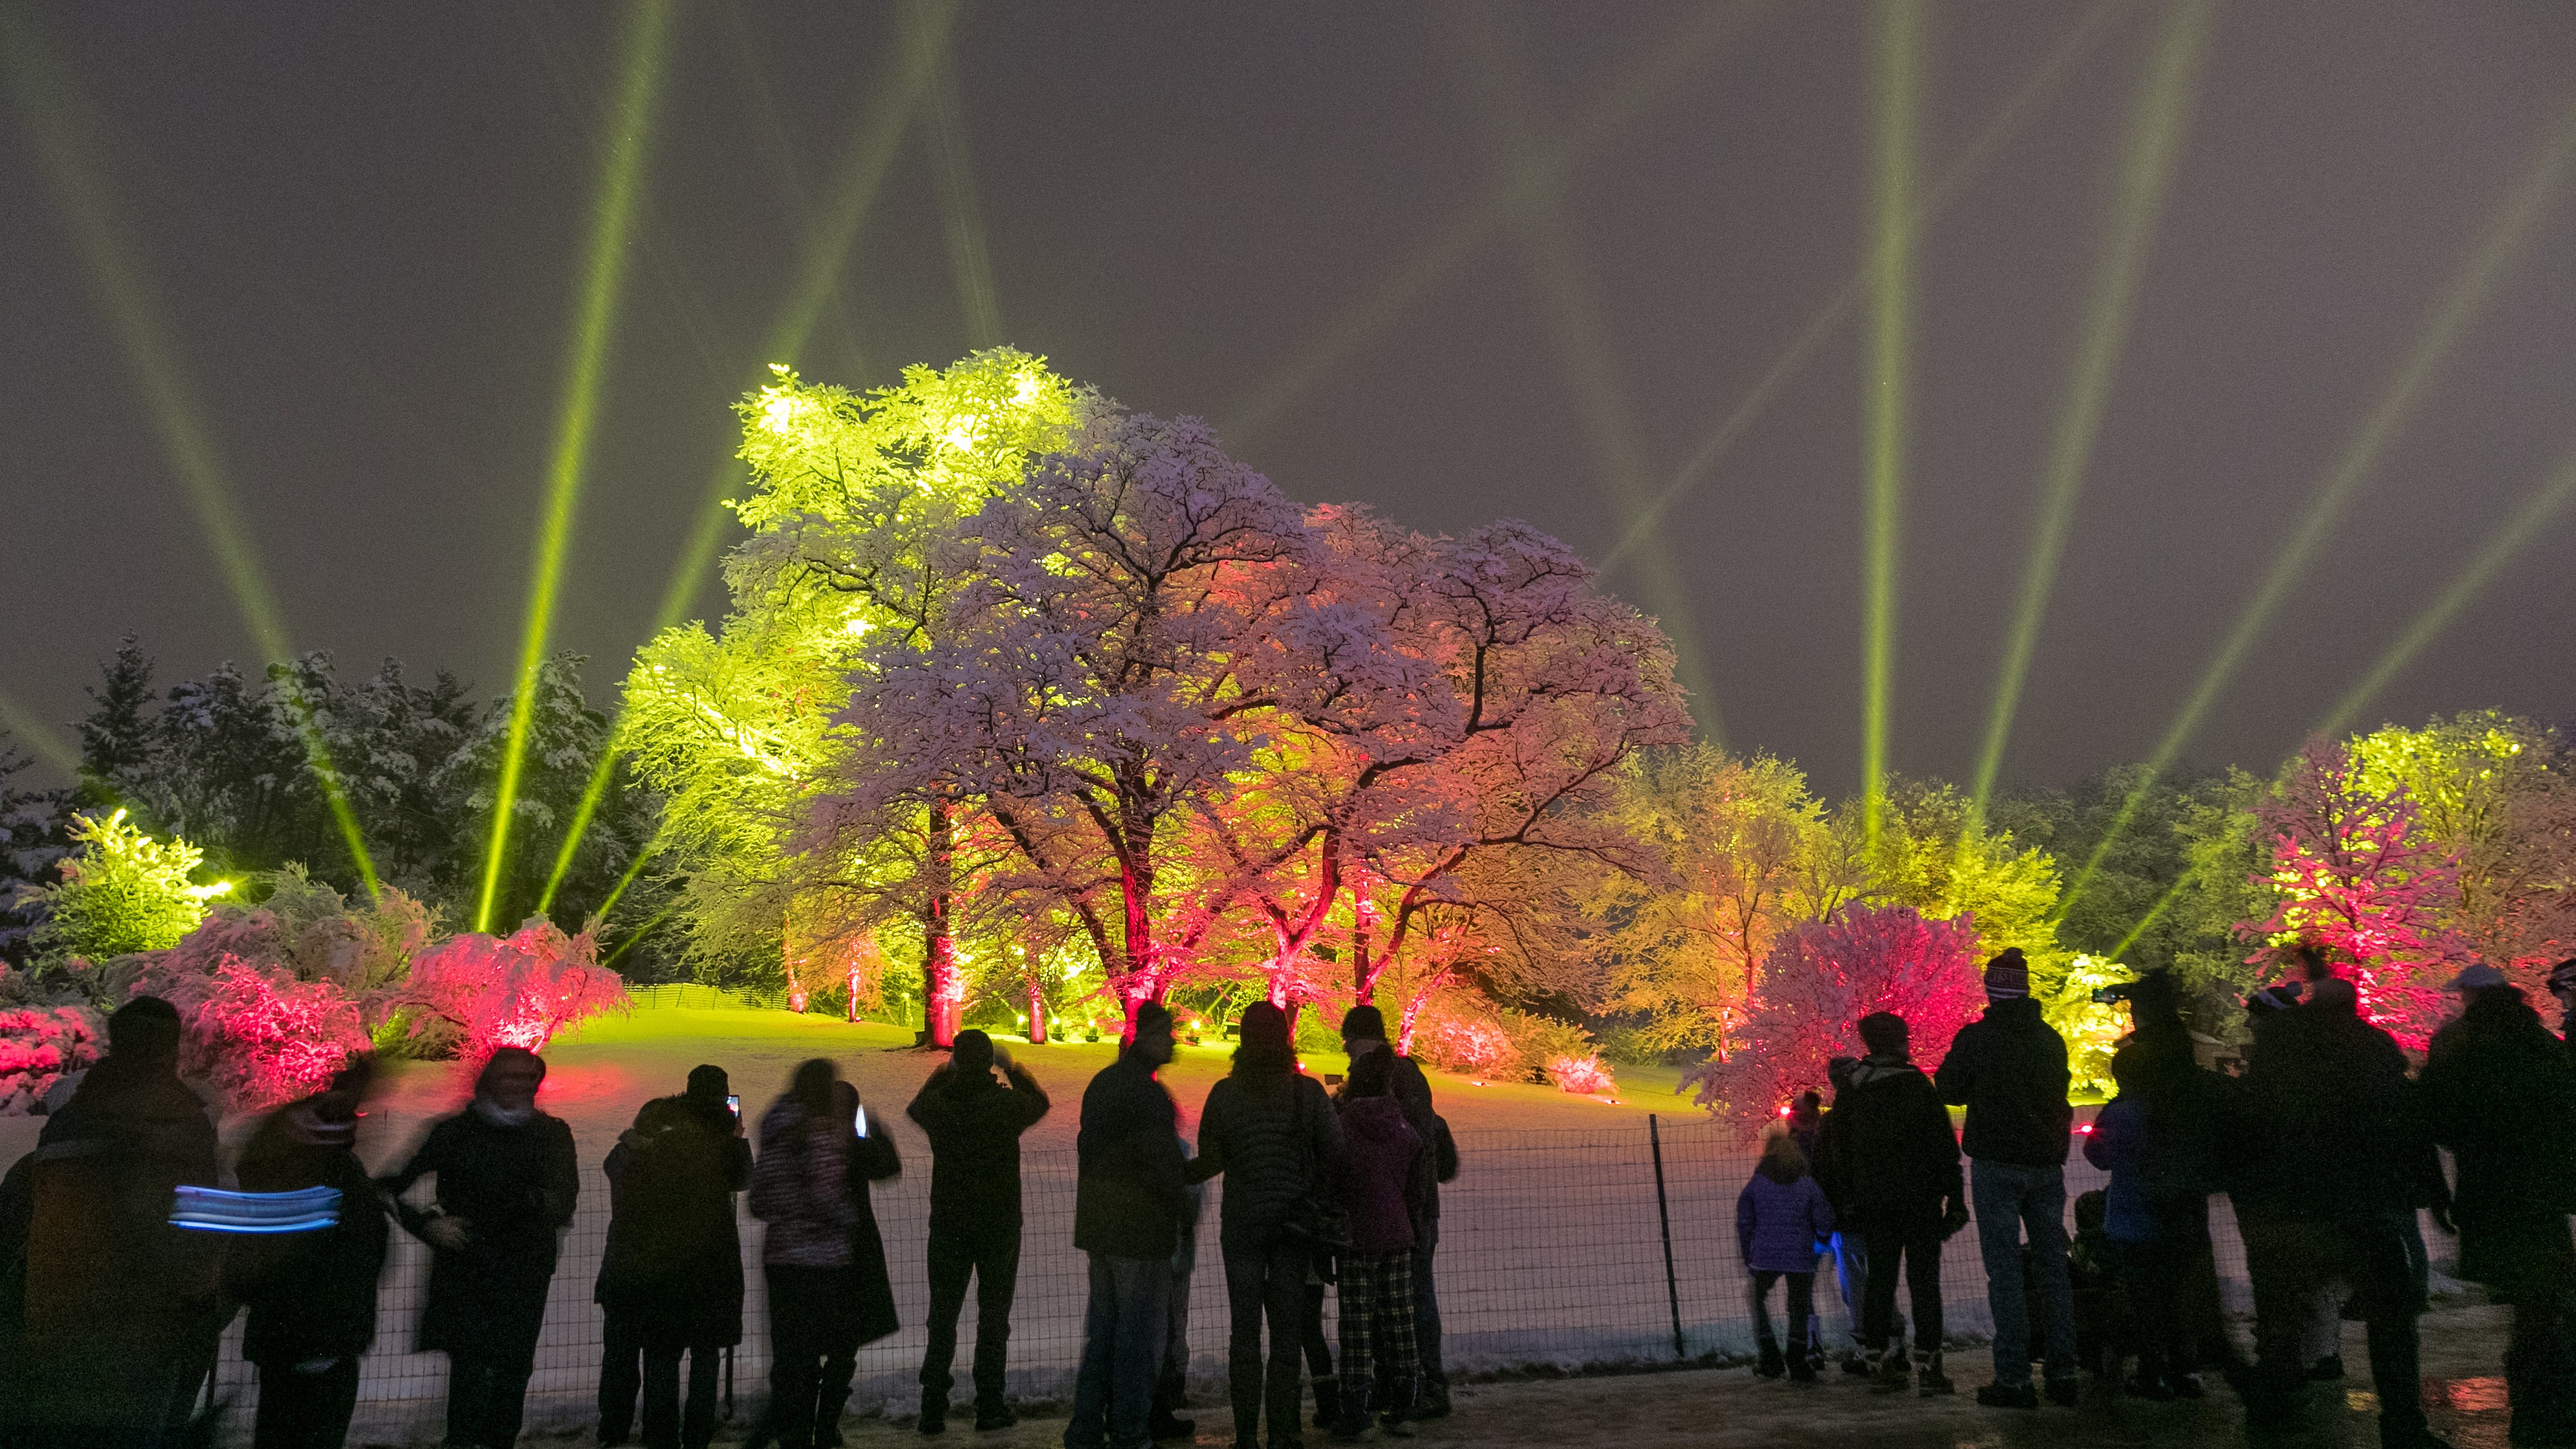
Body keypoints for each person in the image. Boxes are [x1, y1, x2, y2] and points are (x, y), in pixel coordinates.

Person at [2220, 971, 2447, 1448]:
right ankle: (2402, 1422)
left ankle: (2274, 1410)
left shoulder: (2280, 1055)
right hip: (2359, 1208)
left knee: (2281, 1319)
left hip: (2290, 1210)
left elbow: (2248, 1130)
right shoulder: (2371, 1047)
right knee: (2391, 1321)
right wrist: (2428, 1189)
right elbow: (2403, 1120)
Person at [6, 995, 222, 1446]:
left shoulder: (67, 1125)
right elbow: (195, 1251)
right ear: (171, 1051)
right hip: (142, 1345)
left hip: (51, 1342)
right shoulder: (179, 1125)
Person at [380, 1045, 580, 1449]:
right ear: (490, 1081)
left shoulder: (552, 1134)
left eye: (529, 1078)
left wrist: (535, 1204)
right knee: (470, 1367)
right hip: (467, 1268)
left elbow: (564, 1202)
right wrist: (429, 1226)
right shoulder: (454, 1132)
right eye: (512, 1077)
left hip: (525, 1270)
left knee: (512, 1369)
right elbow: (388, 1188)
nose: (523, 1086)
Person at [2422, 963, 2576, 1447]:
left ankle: (2533, 1379)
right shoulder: (2542, 1048)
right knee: (2544, 1289)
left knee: (2521, 1287)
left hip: (2487, 1188)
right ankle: (2547, 1382)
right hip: (2542, 1190)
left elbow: (2437, 1118)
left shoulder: (2460, 1049)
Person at [1188, 1001, 1344, 1449]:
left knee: (1244, 1332)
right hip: (1293, 1228)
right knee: (1287, 1332)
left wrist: (1167, 1172)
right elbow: (1335, 1154)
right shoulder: (1308, 1094)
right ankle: (1282, 1432)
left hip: (1241, 1226)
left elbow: (1212, 1160)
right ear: (1284, 1037)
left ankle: (1244, 1437)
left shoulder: (1223, 1094)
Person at [1935, 948, 2080, 1409]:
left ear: (1992, 990)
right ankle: (2063, 1372)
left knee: (2005, 1273)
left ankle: (2014, 1377)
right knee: (2053, 1269)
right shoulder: (2049, 1039)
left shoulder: (1979, 1038)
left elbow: (1948, 1087)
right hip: (2045, 1165)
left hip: (1997, 1163)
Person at [235, 1057, 390, 1449]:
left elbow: (248, 1265)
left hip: (286, 1340)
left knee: (277, 1429)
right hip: (326, 1339)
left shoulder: (276, 1177)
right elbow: (367, 1257)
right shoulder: (344, 1188)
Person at [597, 1064, 751, 1449]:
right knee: (705, 1354)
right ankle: (697, 1434)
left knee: (661, 1354)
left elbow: (618, 1169)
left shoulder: (658, 1129)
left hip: (658, 1259)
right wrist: (736, 1138)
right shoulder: (720, 1132)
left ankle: (656, 1434)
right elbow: (742, 1179)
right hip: (710, 1259)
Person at [749, 1061, 901, 1449]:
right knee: (839, 1348)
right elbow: (878, 1171)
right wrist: (877, 1138)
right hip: (837, 1259)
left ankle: (786, 1431)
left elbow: (761, 1200)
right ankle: (823, 1428)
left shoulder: (777, 1128)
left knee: (793, 1358)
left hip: (783, 1260)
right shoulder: (836, 1139)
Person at [1813, 1011, 1965, 1395]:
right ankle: (1930, 1366)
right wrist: (1956, 1197)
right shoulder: (1918, 1087)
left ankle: (1877, 1359)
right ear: (1901, 1042)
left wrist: (1846, 1198)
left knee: (1879, 1282)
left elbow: (1838, 1151)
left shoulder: (1853, 1092)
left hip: (1874, 1203)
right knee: (1924, 1284)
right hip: (1921, 1201)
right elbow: (1943, 1148)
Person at [907, 1029, 1051, 1434]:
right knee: (993, 1318)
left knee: (943, 1316)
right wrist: (1015, 1069)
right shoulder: (1005, 1105)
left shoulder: (941, 1106)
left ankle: (932, 1407)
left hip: (950, 1223)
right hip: (999, 1225)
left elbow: (916, 1109)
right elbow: (1039, 1103)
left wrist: (942, 1074)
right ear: (989, 1060)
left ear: (956, 1059)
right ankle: (989, 1405)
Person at [1068, 1003, 1190, 1449]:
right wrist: (1180, 1197)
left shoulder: (1103, 1084)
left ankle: (1085, 1426)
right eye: (1169, 1034)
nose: (1174, 1042)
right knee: (1139, 1337)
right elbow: (1159, 1165)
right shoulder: (1147, 1095)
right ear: (1150, 1038)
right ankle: (1130, 1430)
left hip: (1100, 1225)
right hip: (1139, 1230)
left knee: (1102, 1332)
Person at [1339, 1005, 1454, 1418]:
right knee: (1406, 1303)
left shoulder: (1382, 1078)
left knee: (1406, 1303)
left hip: (1399, 1212)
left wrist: (1416, 1209)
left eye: (1349, 1043)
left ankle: (1419, 1385)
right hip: (1411, 1210)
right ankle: (1412, 1385)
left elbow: (1409, 1146)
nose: (1347, 1051)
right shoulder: (1410, 1077)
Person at [2083, 1049, 2204, 1399]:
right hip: (2179, 1218)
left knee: (2144, 1300)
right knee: (2178, 1297)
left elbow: (2099, 1156)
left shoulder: (2121, 1113)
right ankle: (2187, 1370)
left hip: (2133, 1217)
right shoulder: (2177, 1107)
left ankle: (2153, 1373)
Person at [1332, 1047, 1427, 1440]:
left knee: (1357, 1323)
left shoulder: (1343, 1128)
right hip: (1398, 1235)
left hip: (1358, 1237)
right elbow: (1415, 1186)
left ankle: (1356, 1410)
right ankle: (1405, 1404)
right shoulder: (1404, 1130)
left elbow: (1335, 1179)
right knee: (1400, 1318)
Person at [1736, 1121, 1833, 1382]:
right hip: (1801, 1255)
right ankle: (1797, 1359)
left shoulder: (1758, 1183)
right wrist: (1821, 1241)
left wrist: (1749, 1255)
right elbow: (1824, 1217)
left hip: (1766, 1256)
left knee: (1756, 1298)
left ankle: (1769, 1356)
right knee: (1799, 1305)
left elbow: (1745, 1221)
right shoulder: (1807, 1183)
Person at [1818, 1059, 1881, 1375]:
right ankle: (1890, 1343)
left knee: (1855, 1284)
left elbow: (1823, 1171)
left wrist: (1828, 1213)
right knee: (1881, 1280)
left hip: (1850, 1214)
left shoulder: (1835, 1122)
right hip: (1882, 1211)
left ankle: (1867, 1348)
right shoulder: (1878, 1115)